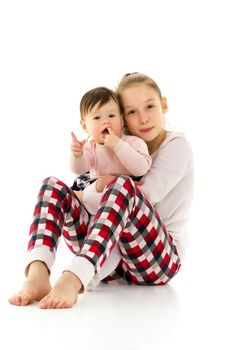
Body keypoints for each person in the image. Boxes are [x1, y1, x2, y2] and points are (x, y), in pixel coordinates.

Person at [9, 72, 194, 309]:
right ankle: (37, 272)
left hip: (156, 260)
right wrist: (87, 179)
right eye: (131, 112)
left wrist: (91, 191)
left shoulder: (176, 146)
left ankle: (73, 277)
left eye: (149, 106)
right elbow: (82, 179)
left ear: (164, 105)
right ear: (122, 118)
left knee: (122, 186)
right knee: (52, 186)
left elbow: (145, 194)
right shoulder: (115, 146)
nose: (143, 118)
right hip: (109, 260)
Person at [70, 86, 152, 210]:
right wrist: (77, 156)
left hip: (124, 198)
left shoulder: (134, 142)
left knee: (106, 183)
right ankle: (82, 200)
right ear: (85, 126)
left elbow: (141, 169)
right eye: (97, 118)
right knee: (101, 182)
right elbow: (79, 169)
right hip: (96, 194)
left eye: (111, 115)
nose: (105, 122)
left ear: (122, 120)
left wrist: (117, 145)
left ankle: (81, 197)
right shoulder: (89, 148)